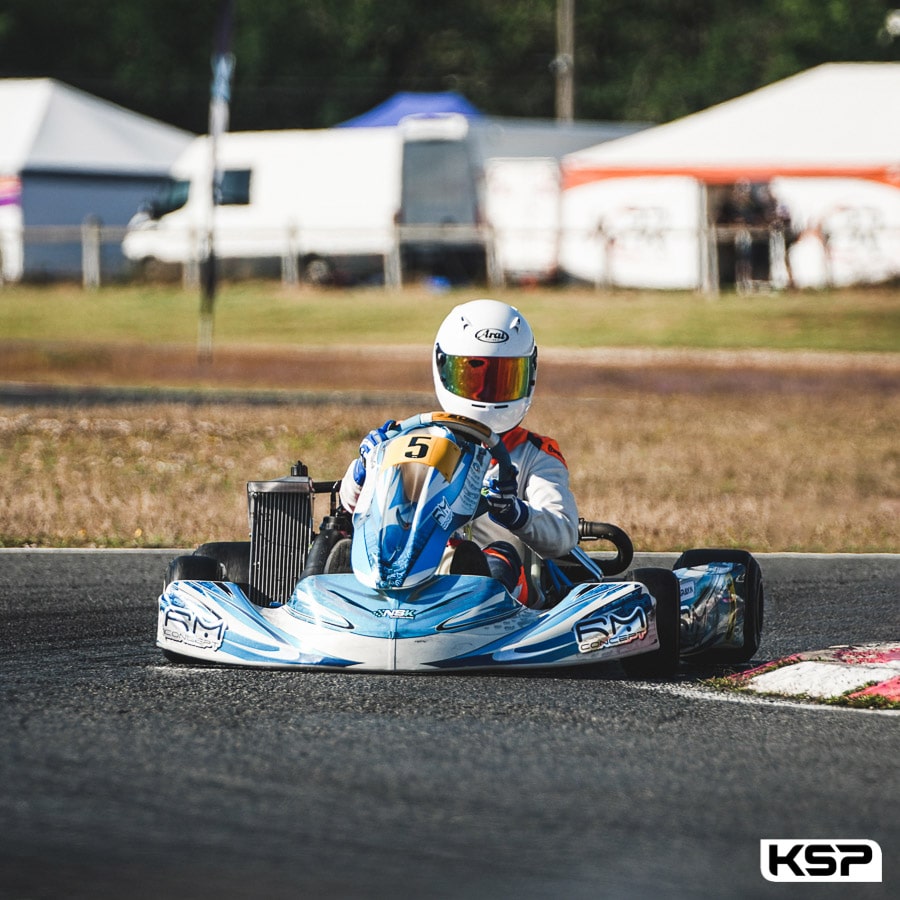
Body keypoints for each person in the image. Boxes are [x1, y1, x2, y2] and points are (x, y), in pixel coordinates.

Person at [339, 298, 579, 606]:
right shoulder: (411, 436)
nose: (487, 394)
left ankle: (471, 605)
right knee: (343, 546)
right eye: (474, 379)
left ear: (527, 375)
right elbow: (354, 505)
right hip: (408, 571)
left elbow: (562, 535)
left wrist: (514, 511)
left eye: (502, 380)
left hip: (500, 595)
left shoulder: (535, 455)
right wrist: (364, 468)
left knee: (492, 558)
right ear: (444, 367)